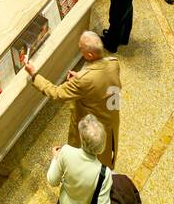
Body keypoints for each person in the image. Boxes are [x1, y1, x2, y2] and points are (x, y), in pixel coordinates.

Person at [22, 31, 120, 166]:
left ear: (90, 54)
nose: (80, 51)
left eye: (81, 50)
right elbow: (99, 83)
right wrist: (81, 77)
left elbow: (56, 93)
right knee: (107, 154)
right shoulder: (113, 63)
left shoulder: (84, 80)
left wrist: (34, 75)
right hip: (111, 119)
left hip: (93, 128)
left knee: (90, 160)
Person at [46, 115, 113, 204]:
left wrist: (55, 159)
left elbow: (52, 180)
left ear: (81, 138)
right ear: (101, 147)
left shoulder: (66, 152)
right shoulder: (104, 173)